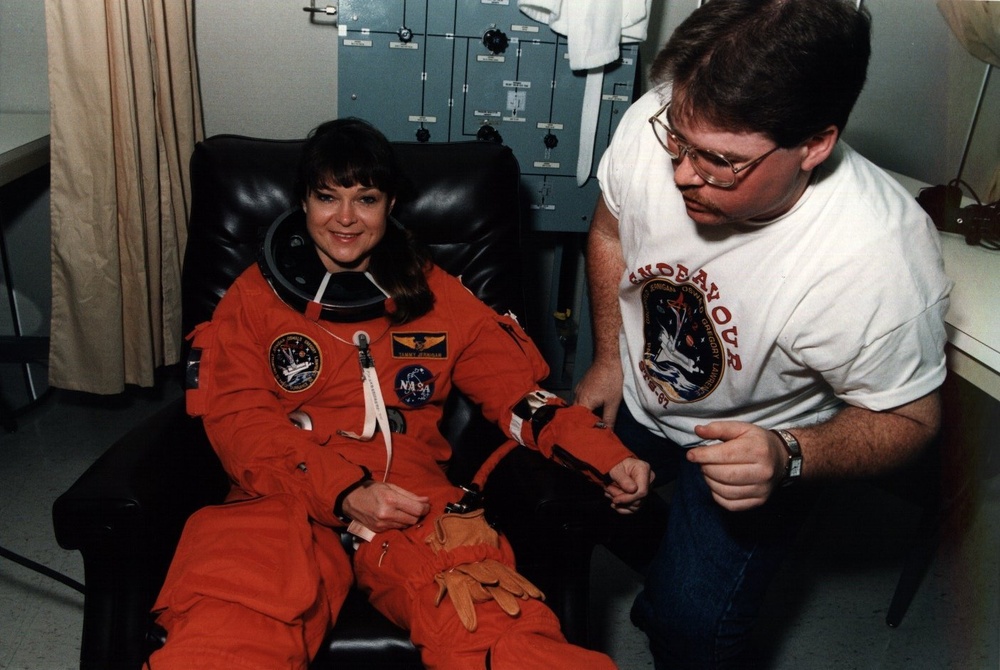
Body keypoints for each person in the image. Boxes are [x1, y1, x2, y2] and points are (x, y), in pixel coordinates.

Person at [146, 117, 652, 670]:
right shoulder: (251, 299)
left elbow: (518, 398)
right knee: (226, 633)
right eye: (326, 197)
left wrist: (608, 457)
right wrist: (342, 491)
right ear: (302, 201)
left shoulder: (436, 294)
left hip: (410, 501)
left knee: (501, 633)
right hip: (281, 491)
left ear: (390, 204)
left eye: (365, 198)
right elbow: (239, 423)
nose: (344, 218)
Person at [574, 0, 953, 667]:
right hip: (636, 391)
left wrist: (789, 456)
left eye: (720, 160)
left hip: (757, 440)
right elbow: (609, 231)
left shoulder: (879, 256)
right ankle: (673, 561)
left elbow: (911, 419)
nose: (682, 172)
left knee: (692, 629)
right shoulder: (660, 120)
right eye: (677, 138)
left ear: (814, 145)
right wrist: (608, 359)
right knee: (552, 502)